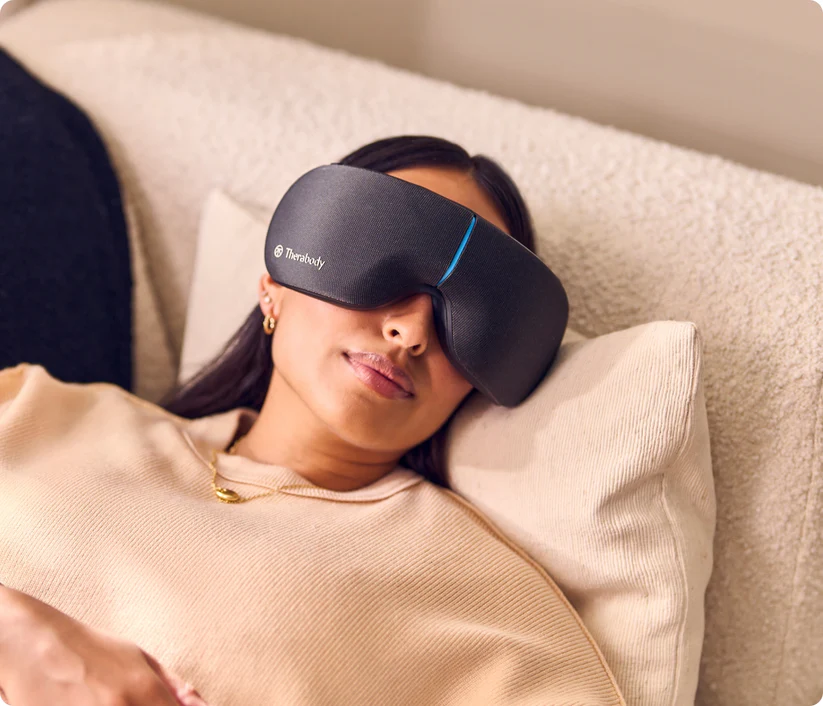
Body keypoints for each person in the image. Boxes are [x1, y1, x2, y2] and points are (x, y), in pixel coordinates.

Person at [0, 135, 626, 706]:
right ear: (275, 285)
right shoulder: (44, 410)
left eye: (474, 314)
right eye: (379, 258)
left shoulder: (483, 601)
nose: (411, 331)